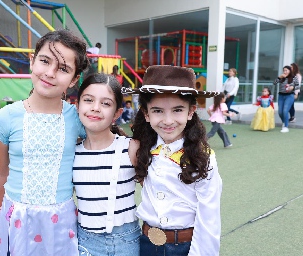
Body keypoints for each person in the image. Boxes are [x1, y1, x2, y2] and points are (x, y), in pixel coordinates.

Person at [0, 29, 89, 255]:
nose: (50, 73)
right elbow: (0, 173)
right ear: (32, 62)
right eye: (45, 61)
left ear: (73, 80)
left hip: (61, 221)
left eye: (63, 69)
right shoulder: (6, 117)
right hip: (17, 219)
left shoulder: (77, 118)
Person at [126, 65, 223, 256]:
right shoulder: (141, 148)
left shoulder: (203, 157)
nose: (168, 120)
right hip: (145, 244)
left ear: (191, 111)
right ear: (146, 113)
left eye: (177, 110)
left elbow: (209, 217)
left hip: (185, 248)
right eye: (158, 111)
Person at [73, 73, 141, 255]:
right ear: (77, 105)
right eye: (88, 100)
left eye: (106, 103)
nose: (95, 108)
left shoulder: (130, 148)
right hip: (84, 242)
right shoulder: (71, 153)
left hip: (127, 242)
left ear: (117, 113)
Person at [273, 65, 299, 133]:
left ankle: (286, 126)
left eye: (286, 70)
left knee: (285, 111)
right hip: (281, 95)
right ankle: (284, 122)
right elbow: (274, 83)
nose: (285, 72)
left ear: (290, 71)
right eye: (284, 70)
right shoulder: (281, 77)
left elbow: (297, 86)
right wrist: (279, 77)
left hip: (289, 96)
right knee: (280, 112)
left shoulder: (294, 77)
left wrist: (292, 88)